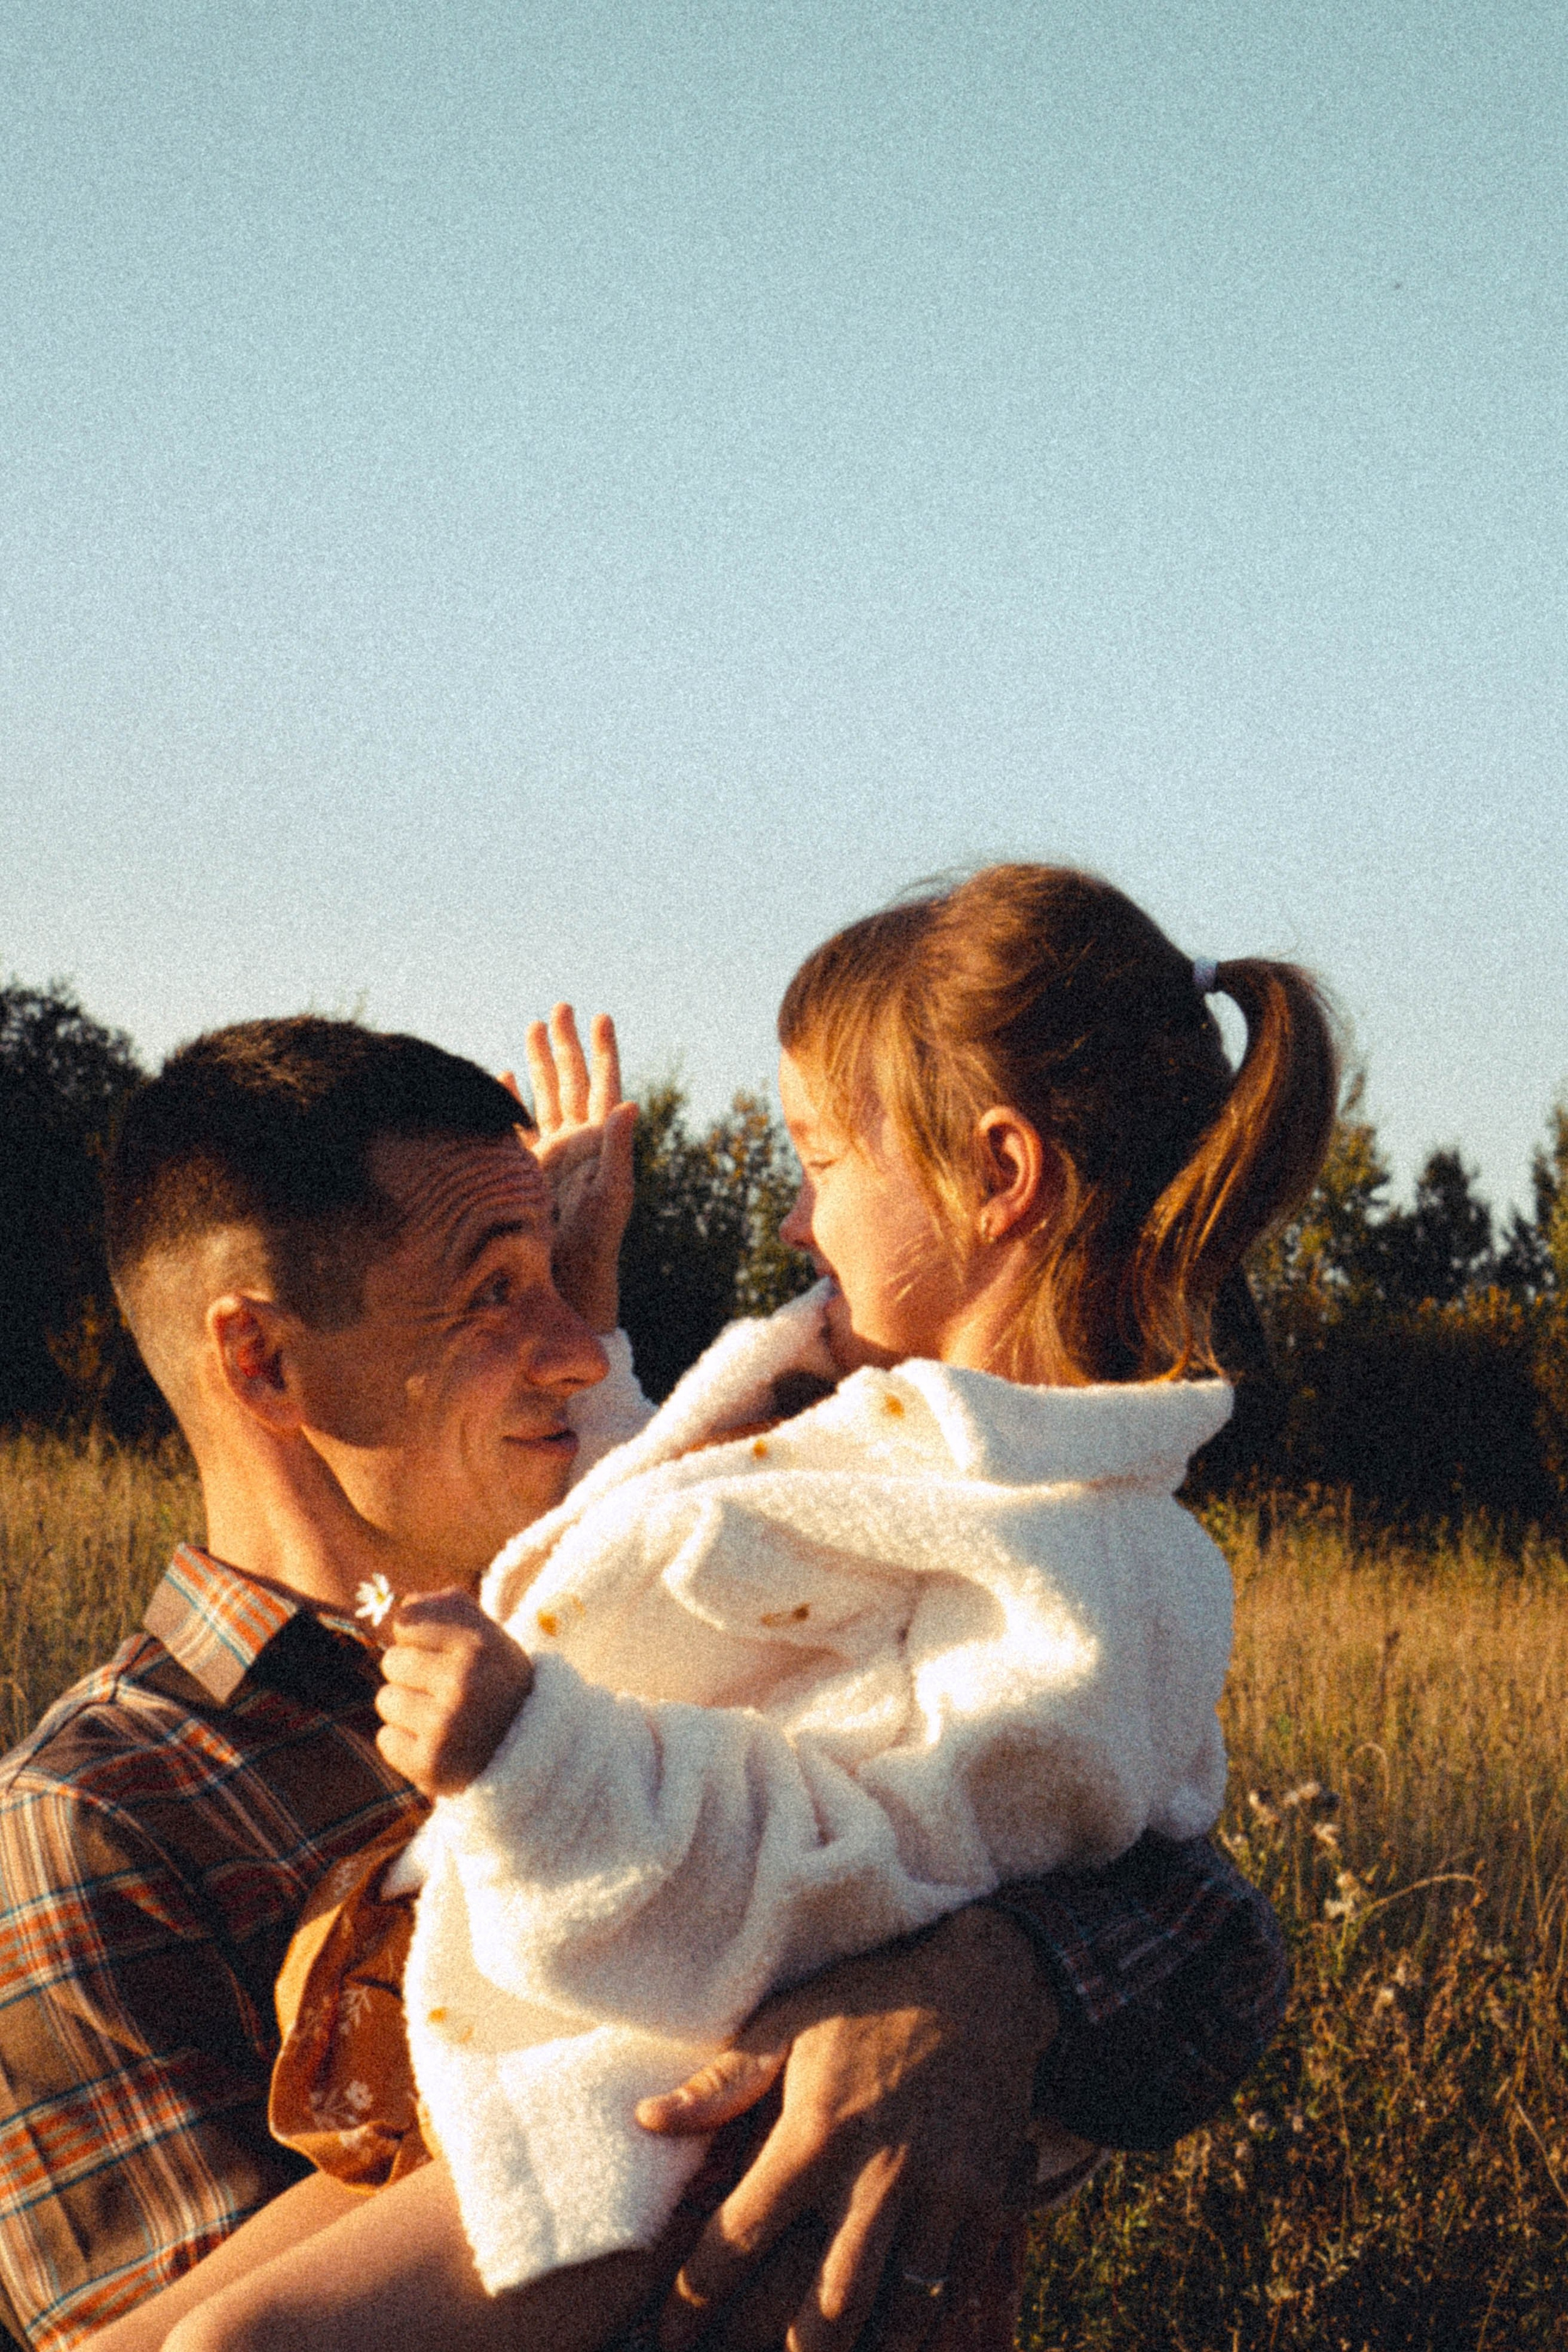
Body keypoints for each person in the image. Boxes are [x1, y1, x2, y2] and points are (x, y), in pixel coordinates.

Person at [92, 865, 1330, 2352]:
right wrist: (602, 1341)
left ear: (998, 1176)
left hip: (680, 2123)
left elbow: (878, 1868)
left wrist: (537, 1757)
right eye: (491, 1293)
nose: (798, 1221)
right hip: (535, 2069)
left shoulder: (1074, 1555)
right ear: (263, 1365)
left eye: (815, 1156)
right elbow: (674, 1581)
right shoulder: (96, 1815)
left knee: (226, 2351)